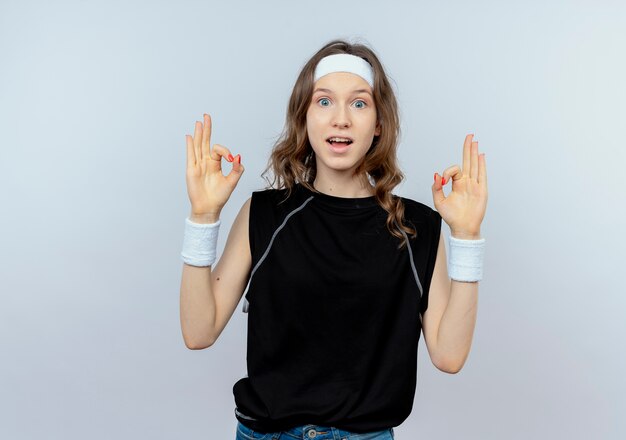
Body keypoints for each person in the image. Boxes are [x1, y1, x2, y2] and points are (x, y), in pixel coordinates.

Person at [179, 38, 488, 440]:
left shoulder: (417, 226)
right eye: (324, 101)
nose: (340, 118)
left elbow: (449, 355)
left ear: (378, 124)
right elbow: (198, 332)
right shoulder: (266, 214)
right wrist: (203, 217)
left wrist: (466, 236)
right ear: (305, 116)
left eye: (359, 103)